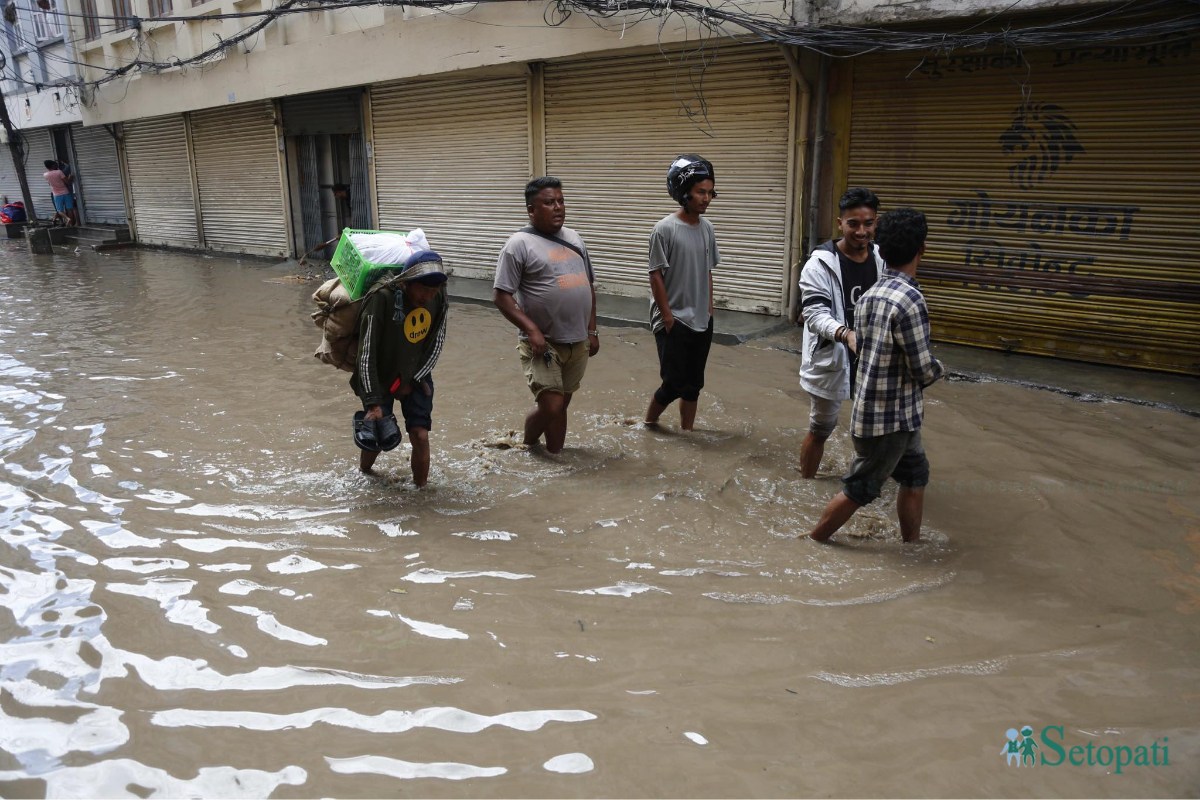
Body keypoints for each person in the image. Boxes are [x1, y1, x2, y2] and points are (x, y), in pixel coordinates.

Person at [808, 208, 944, 544]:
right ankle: (813, 541)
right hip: (890, 422)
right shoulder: (911, 300)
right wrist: (940, 369)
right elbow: (922, 368)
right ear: (922, 249)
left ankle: (911, 545)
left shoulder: (870, 296)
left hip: (880, 414)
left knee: (915, 476)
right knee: (860, 489)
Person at [493, 176, 599, 454]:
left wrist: (593, 330)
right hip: (543, 343)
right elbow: (501, 296)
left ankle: (554, 456)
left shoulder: (575, 238)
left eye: (561, 201)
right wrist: (531, 330)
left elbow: (589, 287)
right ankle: (528, 444)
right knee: (551, 404)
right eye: (549, 202)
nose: (558, 207)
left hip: (578, 341)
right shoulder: (518, 244)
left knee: (561, 404)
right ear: (531, 210)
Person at [797, 187, 885, 478]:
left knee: (875, 430)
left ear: (876, 222)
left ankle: (866, 489)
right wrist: (846, 334)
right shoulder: (819, 263)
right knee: (821, 428)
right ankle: (805, 482)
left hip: (872, 359)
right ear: (840, 223)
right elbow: (814, 313)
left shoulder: (881, 259)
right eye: (854, 224)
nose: (862, 231)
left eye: (868, 223)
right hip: (832, 357)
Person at [351, 250, 449, 484]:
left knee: (420, 435)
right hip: (380, 377)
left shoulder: (439, 297)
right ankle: (364, 475)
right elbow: (366, 354)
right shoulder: (381, 299)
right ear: (406, 283)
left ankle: (421, 494)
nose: (428, 296)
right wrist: (373, 402)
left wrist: (414, 379)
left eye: (433, 291)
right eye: (423, 290)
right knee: (375, 436)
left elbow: (436, 345)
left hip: (417, 374)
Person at [643, 154, 720, 431]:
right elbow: (655, 274)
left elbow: (708, 270)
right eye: (701, 192)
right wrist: (667, 317)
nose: (706, 198)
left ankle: (687, 434)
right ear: (683, 191)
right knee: (673, 383)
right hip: (674, 318)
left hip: (701, 318)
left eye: (710, 192)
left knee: (693, 385)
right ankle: (648, 424)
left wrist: (709, 310)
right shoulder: (664, 229)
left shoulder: (707, 228)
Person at [42, 160, 77, 226]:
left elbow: (50, 184)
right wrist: (70, 177)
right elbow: (67, 182)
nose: (56, 165)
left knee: (60, 211)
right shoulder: (59, 172)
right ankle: (71, 224)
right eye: (55, 164)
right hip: (66, 192)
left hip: (57, 194)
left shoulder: (45, 175)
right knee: (69, 209)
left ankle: (67, 219)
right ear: (52, 165)